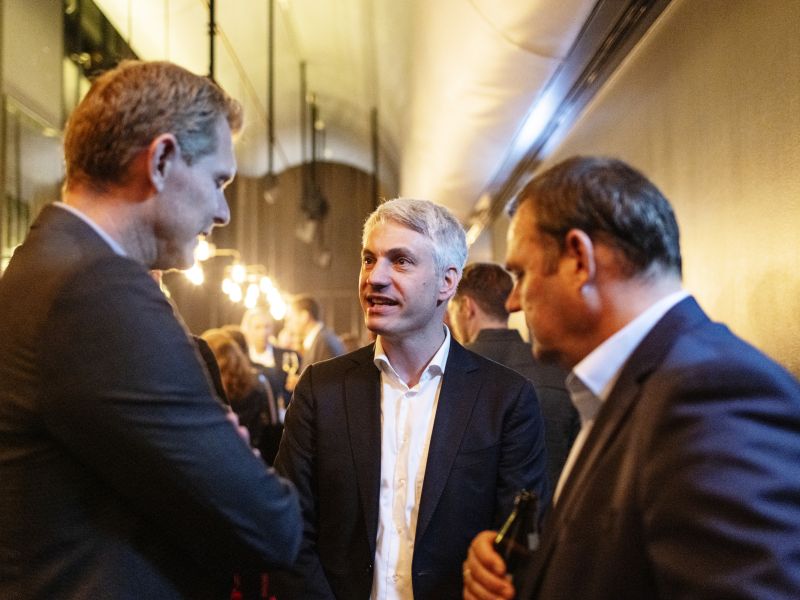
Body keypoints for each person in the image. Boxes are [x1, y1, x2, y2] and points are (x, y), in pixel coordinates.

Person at [0, 60, 301, 599]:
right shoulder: (97, 288)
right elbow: (269, 524)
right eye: (218, 181)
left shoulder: (45, 263)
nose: (223, 212)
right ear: (161, 160)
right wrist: (228, 453)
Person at [463, 156, 800, 599]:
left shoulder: (709, 393)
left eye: (522, 274)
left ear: (579, 260)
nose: (513, 304)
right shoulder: (635, 388)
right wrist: (526, 575)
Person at [273, 198, 549, 599]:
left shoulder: (505, 398)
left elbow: (516, 544)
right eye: (369, 260)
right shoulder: (321, 388)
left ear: (447, 282)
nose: (375, 278)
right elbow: (290, 529)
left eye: (400, 261)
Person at [448, 262, 579, 485]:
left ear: (467, 307)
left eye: (452, 311)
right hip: (551, 503)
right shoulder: (559, 368)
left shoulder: (449, 370)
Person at [285, 293, 345, 371]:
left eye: (290, 318)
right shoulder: (320, 338)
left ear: (304, 316)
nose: (288, 324)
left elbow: (329, 376)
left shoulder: (324, 341)